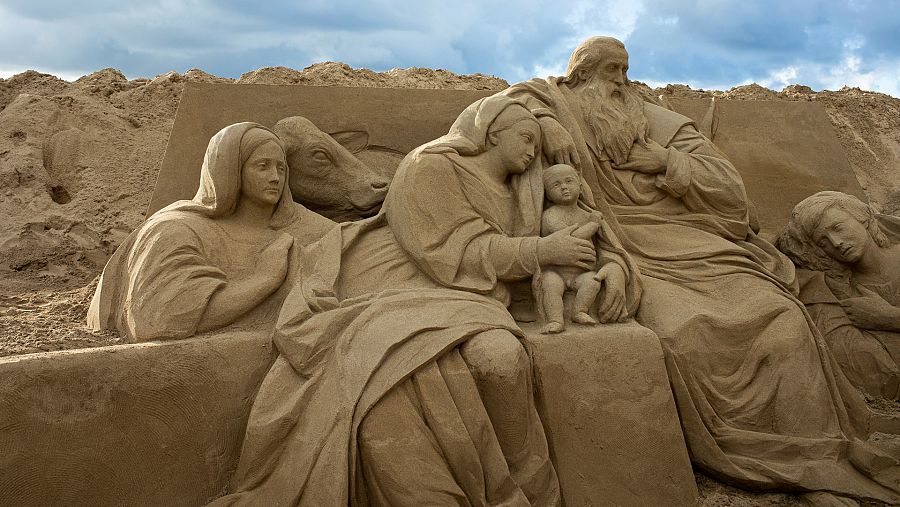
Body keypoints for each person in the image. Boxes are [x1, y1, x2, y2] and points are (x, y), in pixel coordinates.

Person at [502, 36, 900, 502]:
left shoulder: (658, 121)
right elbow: (502, 109)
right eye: (612, 71)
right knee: (685, 334)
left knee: (783, 318)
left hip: (694, 242)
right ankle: (767, 460)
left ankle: (818, 460)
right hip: (623, 247)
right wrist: (548, 122)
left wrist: (668, 161)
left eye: (627, 71)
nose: (623, 82)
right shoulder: (551, 106)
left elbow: (730, 191)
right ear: (581, 74)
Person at [210, 96, 641, 506]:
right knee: (428, 375)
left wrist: (613, 269)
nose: (534, 152)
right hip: (400, 284)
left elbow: (586, 224)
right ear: (492, 133)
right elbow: (451, 253)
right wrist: (541, 253)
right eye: (526, 139)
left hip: (473, 297)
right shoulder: (430, 166)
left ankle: (527, 488)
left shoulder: (528, 183)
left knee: (501, 360)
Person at [87, 122, 335, 341]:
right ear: (230, 169)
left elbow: (347, 239)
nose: (275, 177)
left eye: (281, 169)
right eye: (262, 166)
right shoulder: (176, 229)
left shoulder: (295, 227)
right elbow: (158, 319)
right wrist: (265, 280)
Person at [777, 191, 900, 400]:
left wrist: (888, 317)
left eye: (838, 228)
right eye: (823, 242)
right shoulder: (842, 286)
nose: (836, 243)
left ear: (862, 217)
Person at [536, 163, 631, 333]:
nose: (564, 187)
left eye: (569, 181)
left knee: (592, 282)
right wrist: (593, 225)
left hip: (581, 272)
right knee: (549, 285)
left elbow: (608, 245)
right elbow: (567, 239)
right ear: (547, 194)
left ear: (580, 187)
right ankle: (556, 320)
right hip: (556, 271)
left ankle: (579, 311)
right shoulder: (550, 216)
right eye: (556, 185)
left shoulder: (586, 214)